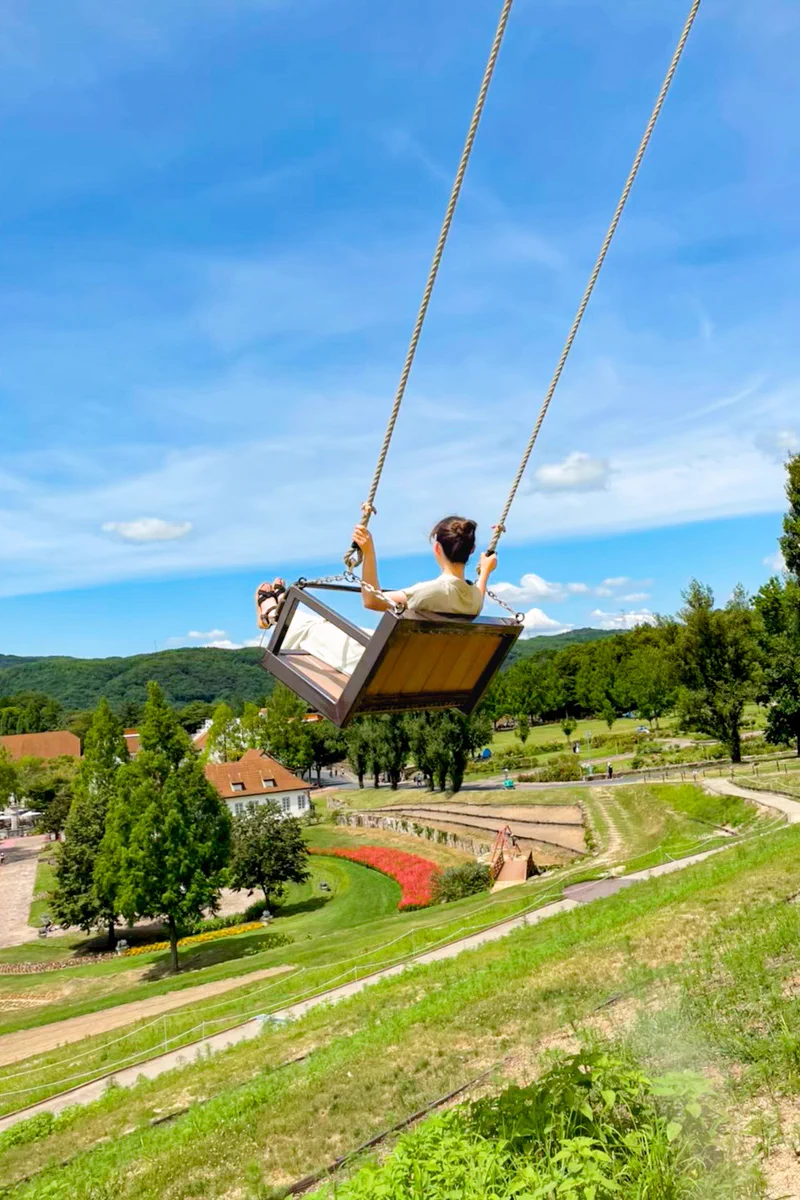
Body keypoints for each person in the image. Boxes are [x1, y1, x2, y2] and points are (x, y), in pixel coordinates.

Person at [352, 515, 497, 615]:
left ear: (437, 548)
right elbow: (479, 592)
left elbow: (372, 601)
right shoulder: (474, 600)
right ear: (471, 550)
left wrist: (368, 552)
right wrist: (485, 572)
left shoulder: (429, 593)